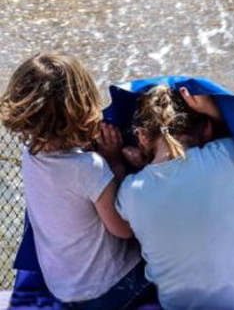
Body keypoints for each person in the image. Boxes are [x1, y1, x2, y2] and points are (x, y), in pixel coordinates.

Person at [0, 53, 151, 309]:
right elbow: (122, 229)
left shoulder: (30, 155)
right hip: (106, 290)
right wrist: (115, 163)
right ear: (81, 105)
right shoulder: (89, 169)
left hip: (60, 287)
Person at [111, 85, 234, 310]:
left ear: (141, 137)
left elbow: (126, 221)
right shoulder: (224, 155)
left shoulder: (130, 191)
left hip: (180, 305)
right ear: (207, 129)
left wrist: (116, 162)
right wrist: (213, 110)